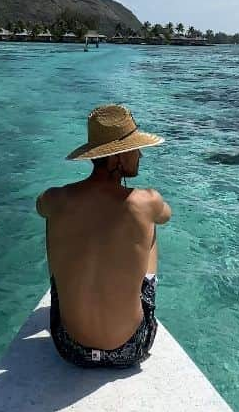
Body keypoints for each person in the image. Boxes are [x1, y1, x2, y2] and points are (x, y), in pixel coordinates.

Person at [35, 103, 171, 369]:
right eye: (134, 149)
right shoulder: (146, 201)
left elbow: (40, 206)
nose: (141, 154)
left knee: (55, 221)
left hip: (69, 347)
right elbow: (166, 215)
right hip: (131, 347)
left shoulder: (56, 198)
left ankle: (76, 301)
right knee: (149, 225)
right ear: (116, 157)